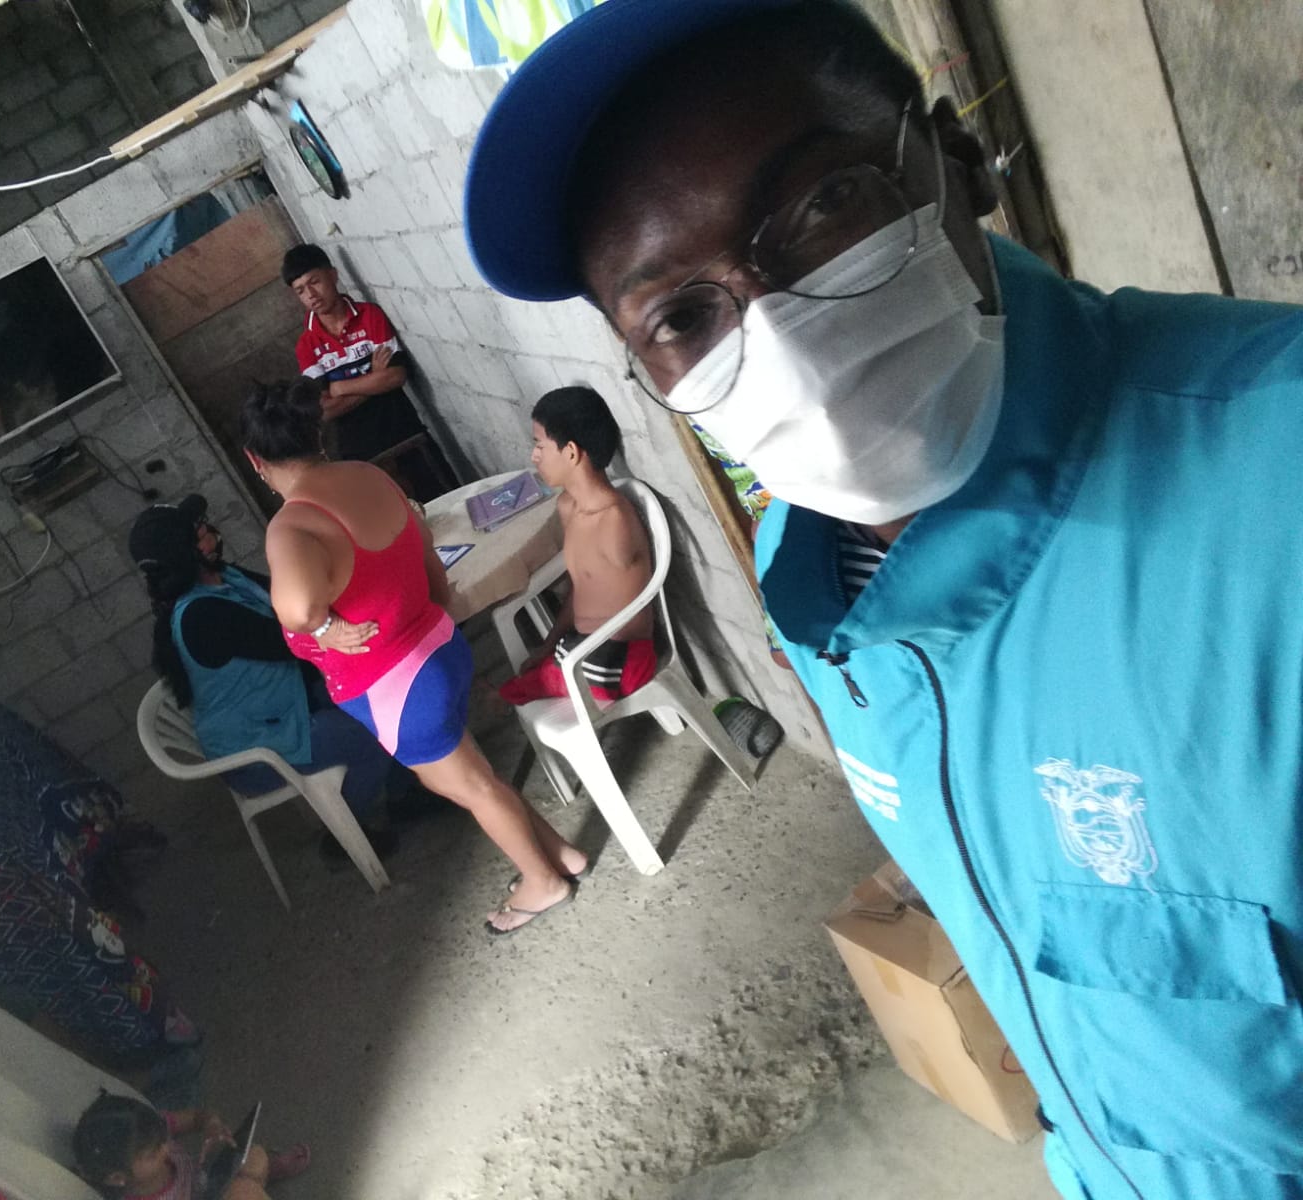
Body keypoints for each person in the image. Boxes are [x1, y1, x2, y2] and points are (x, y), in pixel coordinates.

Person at [463, 1, 1303, 1198]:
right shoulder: (806, 576)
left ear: (953, 163)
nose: (781, 333)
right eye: (682, 316)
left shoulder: (1278, 483)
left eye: (823, 207)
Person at [241, 380, 587, 933]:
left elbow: (297, 608)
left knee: (470, 786)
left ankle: (542, 882)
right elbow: (430, 567)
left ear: (255, 459)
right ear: (315, 431)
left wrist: (325, 627)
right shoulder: (369, 475)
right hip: (437, 645)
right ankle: (560, 855)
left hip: (396, 687)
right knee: (475, 777)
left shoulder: (293, 525)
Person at [129, 495, 440, 860]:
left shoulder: (226, 578)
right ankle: (343, 838)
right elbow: (292, 640)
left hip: (286, 706)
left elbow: (294, 601)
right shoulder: (201, 616)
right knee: (375, 734)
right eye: (200, 535)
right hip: (258, 747)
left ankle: (403, 794)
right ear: (182, 555)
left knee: (381, 699)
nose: (211, 535)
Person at [498, 387, 657, 705]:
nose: (534, 456)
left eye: (540, 445)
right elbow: (584, 588)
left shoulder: (613, 520)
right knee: (533, 674)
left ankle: (500, 699)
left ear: (570, 452)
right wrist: (549, 644)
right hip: (585, 647)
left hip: (623, 657)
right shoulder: (569, 507)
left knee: (511, 693)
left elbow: (632, 602)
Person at [282, 243, 454, 501]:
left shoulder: (369, 315)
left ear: (333, 275)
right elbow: (324, 410)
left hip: (405, 432)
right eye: (300, 290)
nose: (311, 295)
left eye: (314, 282)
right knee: (394, 519)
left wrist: (340, 387)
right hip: (360, 456)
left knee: (447, 500)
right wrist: (373, 378)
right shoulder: (307, 346)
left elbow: (396, 376)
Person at [72, 1092, 308, 1200]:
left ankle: (261, 1176)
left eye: (164, 1138)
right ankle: (256, 1182)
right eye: (154, 1153)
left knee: (254, 1154)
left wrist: (212, 1126)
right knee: (243, 1192)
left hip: (211, 1178)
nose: (166, 1148)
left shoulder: (149, 1130)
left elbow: (197, 1117)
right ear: (117, 1178)